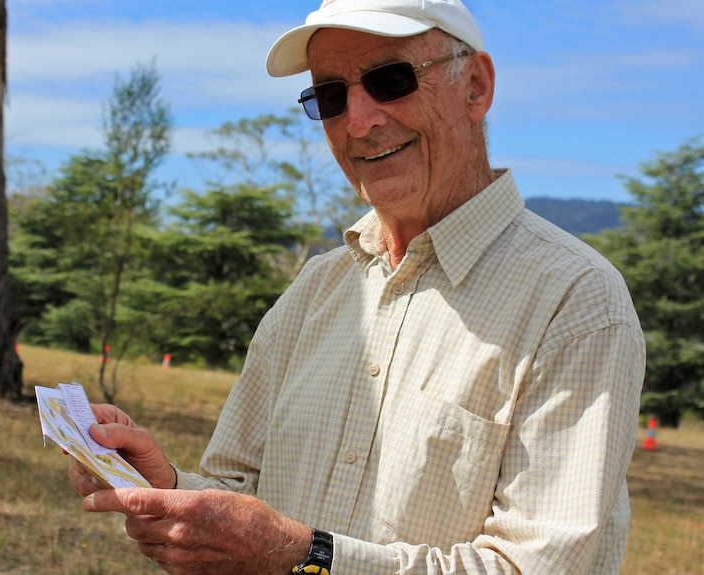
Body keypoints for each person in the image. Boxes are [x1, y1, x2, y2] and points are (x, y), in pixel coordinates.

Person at [68, 1, 646, 573]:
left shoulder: (575, 300)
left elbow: (535, 567)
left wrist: (302, 559)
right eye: (331, 95)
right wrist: (168, 490)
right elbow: (238, 489)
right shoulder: (316, 289)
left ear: (476, 86)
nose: (358, 120)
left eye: (390, 80)